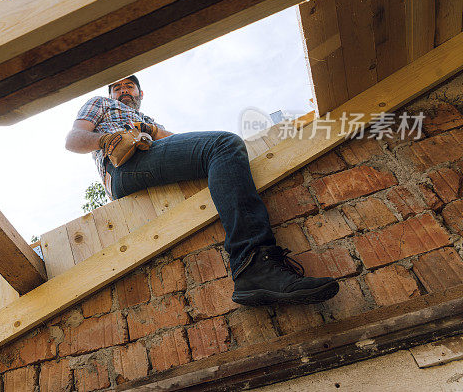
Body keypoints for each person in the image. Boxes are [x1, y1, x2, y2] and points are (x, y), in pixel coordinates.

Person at [65, 75, 339, 306]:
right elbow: (73, 140)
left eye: (129, 86)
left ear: (140, 93)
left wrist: (148, 129)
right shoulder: (99, 103)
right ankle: (253, 264)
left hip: (145, 157)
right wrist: (106, 138)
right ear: (110, 93)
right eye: (117, 87)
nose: (123, 90)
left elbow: (177, 143)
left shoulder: (145, 118)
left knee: (217, 149)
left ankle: (255, 268)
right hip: (121, 168)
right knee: (223, 144)